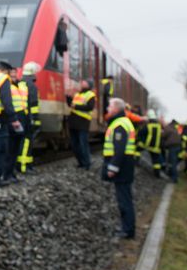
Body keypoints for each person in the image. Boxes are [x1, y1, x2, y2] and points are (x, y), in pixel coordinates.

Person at [102, 98, 140, 239]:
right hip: (125, 166)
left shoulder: (119, 125)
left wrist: (113, 167)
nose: (108, 108)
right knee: (125, 198)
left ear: (117, 108)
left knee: (124, 200)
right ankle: (127, 228)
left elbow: (119, 149)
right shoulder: (124, 122)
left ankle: (128, 230)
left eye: (110, 106)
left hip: (122, 167)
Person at [17, 62, 41, 173]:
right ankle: (24, 166)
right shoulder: (32, 86)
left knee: (21, 141)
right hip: (28, 118)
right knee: (27, 141)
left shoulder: (20, 83)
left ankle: (25, 165)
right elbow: (33, 104)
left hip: (20, 116)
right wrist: (35, 120)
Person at [67, 79, 96, 169]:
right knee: (74, 144)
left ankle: (87, 163)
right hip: (73, 122)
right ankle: (81, 163)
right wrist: (67, 97)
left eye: (85, 82)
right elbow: (71, 105)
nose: (82, 83)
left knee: (83, 144)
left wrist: (76, 106)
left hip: (83, 122)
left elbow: (89, 107)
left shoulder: (91, 95)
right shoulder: (77, 94)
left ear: (89, 85)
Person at [5, 68, 27, 182]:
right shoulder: (8, 86)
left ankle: (11, 173)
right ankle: (7, 173)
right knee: (10, 148)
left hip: (20, 118)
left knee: (16, 148)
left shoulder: (18, 86)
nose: (14, 76)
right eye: (11, 74)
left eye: (15, 74)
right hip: (13, 118)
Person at [137, 109, 163, 176]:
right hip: (156, 146)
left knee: (137, 150)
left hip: (147, 145)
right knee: (156, 161)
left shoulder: (148, 126)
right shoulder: (159, 126)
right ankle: (157, 174)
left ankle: (136, 162)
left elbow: (140, 133)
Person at [161, 118, 182, 183]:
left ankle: (174, 178)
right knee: (173, 162)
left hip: (172, 147)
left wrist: (161, 133)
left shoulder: (168, 127)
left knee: (172, 162)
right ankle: (171, 174)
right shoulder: (176, 128)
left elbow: (163, 136)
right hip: (178, 146)